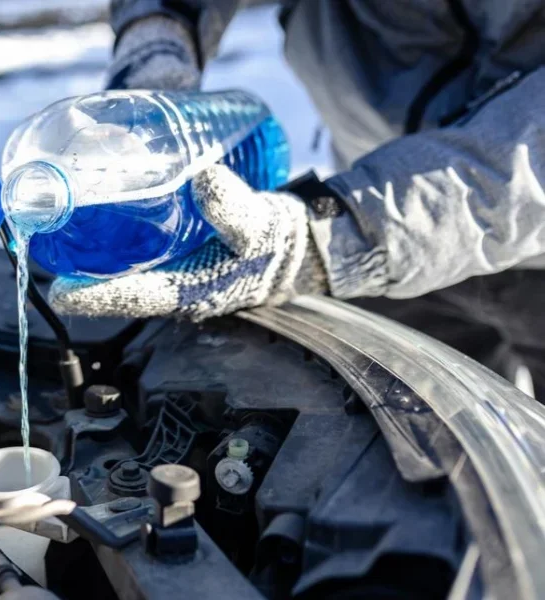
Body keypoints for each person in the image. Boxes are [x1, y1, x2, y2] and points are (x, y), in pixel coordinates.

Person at [48, 0, 545, 395]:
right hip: (381, 210)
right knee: (429, 454)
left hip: (518, 233)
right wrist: (160, 28)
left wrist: (335, 239)